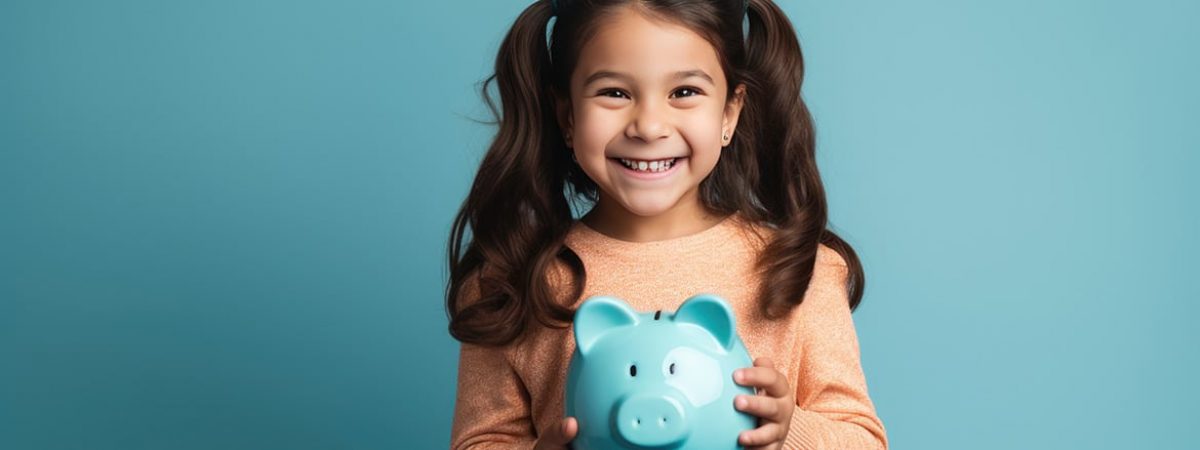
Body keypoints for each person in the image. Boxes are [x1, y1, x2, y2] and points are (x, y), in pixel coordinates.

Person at [445, 0, 887, 448]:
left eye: (684, 92)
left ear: (729, 113)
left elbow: (864, 439)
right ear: (567, 117)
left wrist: (790, 430)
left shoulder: (799, 269)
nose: (650, 125)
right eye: (614, 92)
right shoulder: (512, 280)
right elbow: (480, 440)